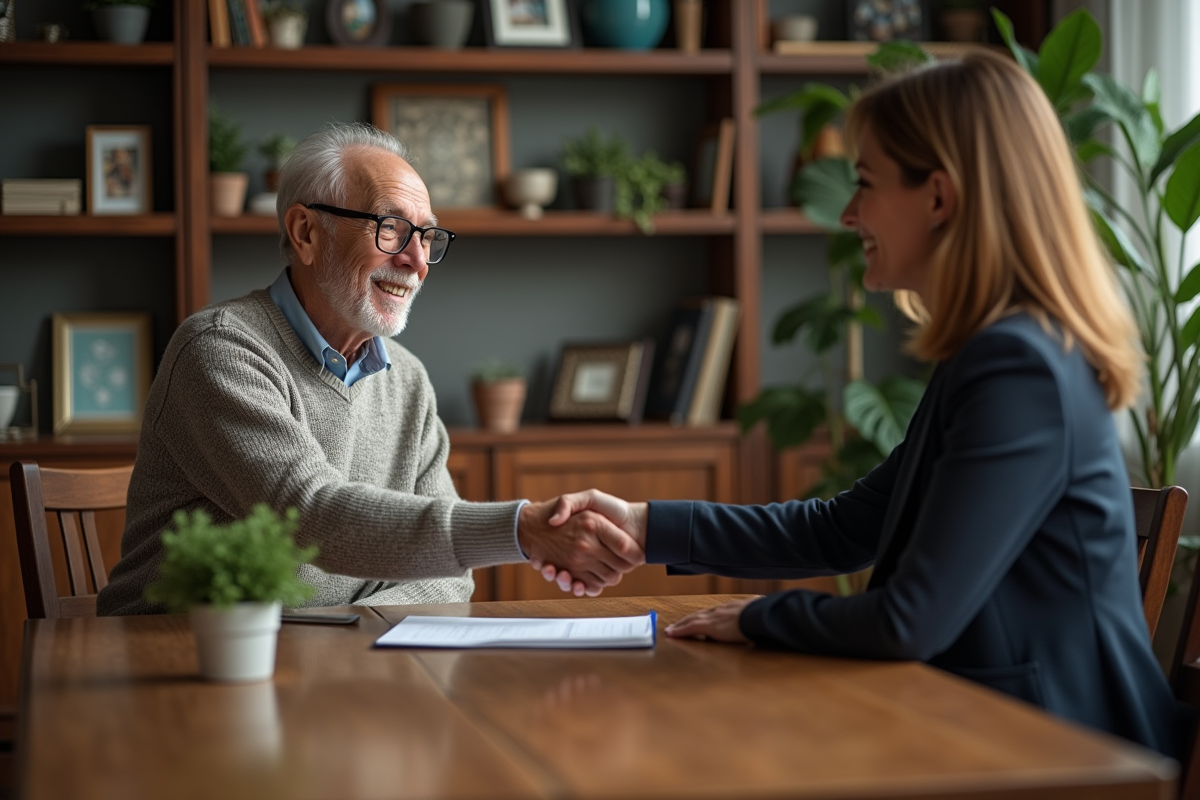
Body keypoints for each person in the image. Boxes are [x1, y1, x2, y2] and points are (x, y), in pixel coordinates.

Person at [536, 51, 1194, 759]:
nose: (848, 213)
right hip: (978, 720)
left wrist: (764, 617)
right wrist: (644, 526)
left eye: (866, 183)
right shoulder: (992, 351)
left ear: (939, 197)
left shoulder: (1020, 365)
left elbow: (910, 621)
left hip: (1063, 752)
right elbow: (846, 528)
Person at [97, 122, 643, 616]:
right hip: (178, 661)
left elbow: (450, 578)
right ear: (307, 233)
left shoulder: (406, 378)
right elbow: (310, 517)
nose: (417, 261)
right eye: (390, 229)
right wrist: (519, 527)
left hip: (326, 665)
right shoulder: (220, 350)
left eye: (427, 236)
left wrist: (351, 626)